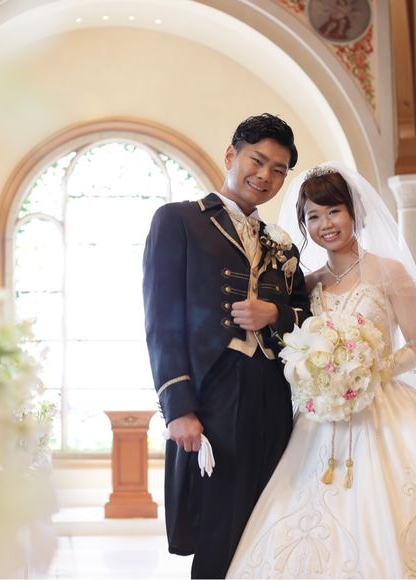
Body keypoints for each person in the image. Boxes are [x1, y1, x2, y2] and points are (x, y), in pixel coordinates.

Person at [142, 113, 312, 579]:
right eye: (258, 160)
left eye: (279, 170)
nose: (266, 176)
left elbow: (306, 316)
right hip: (212, 396)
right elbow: (161, 320)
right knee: (217, 531)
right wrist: (178, 407)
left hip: (273, 397)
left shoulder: (283, 245)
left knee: (267, 525)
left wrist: (275, 314)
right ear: (231, 155)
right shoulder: (179, 221)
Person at [227, 161, 416, 578]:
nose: (325, 224)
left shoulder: (389, 272)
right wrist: (316, 372)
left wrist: (375, 369)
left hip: (382, 408)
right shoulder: (308, 284)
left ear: (353, 212)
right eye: (313, 216)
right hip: (320, 415)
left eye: (334, 211)